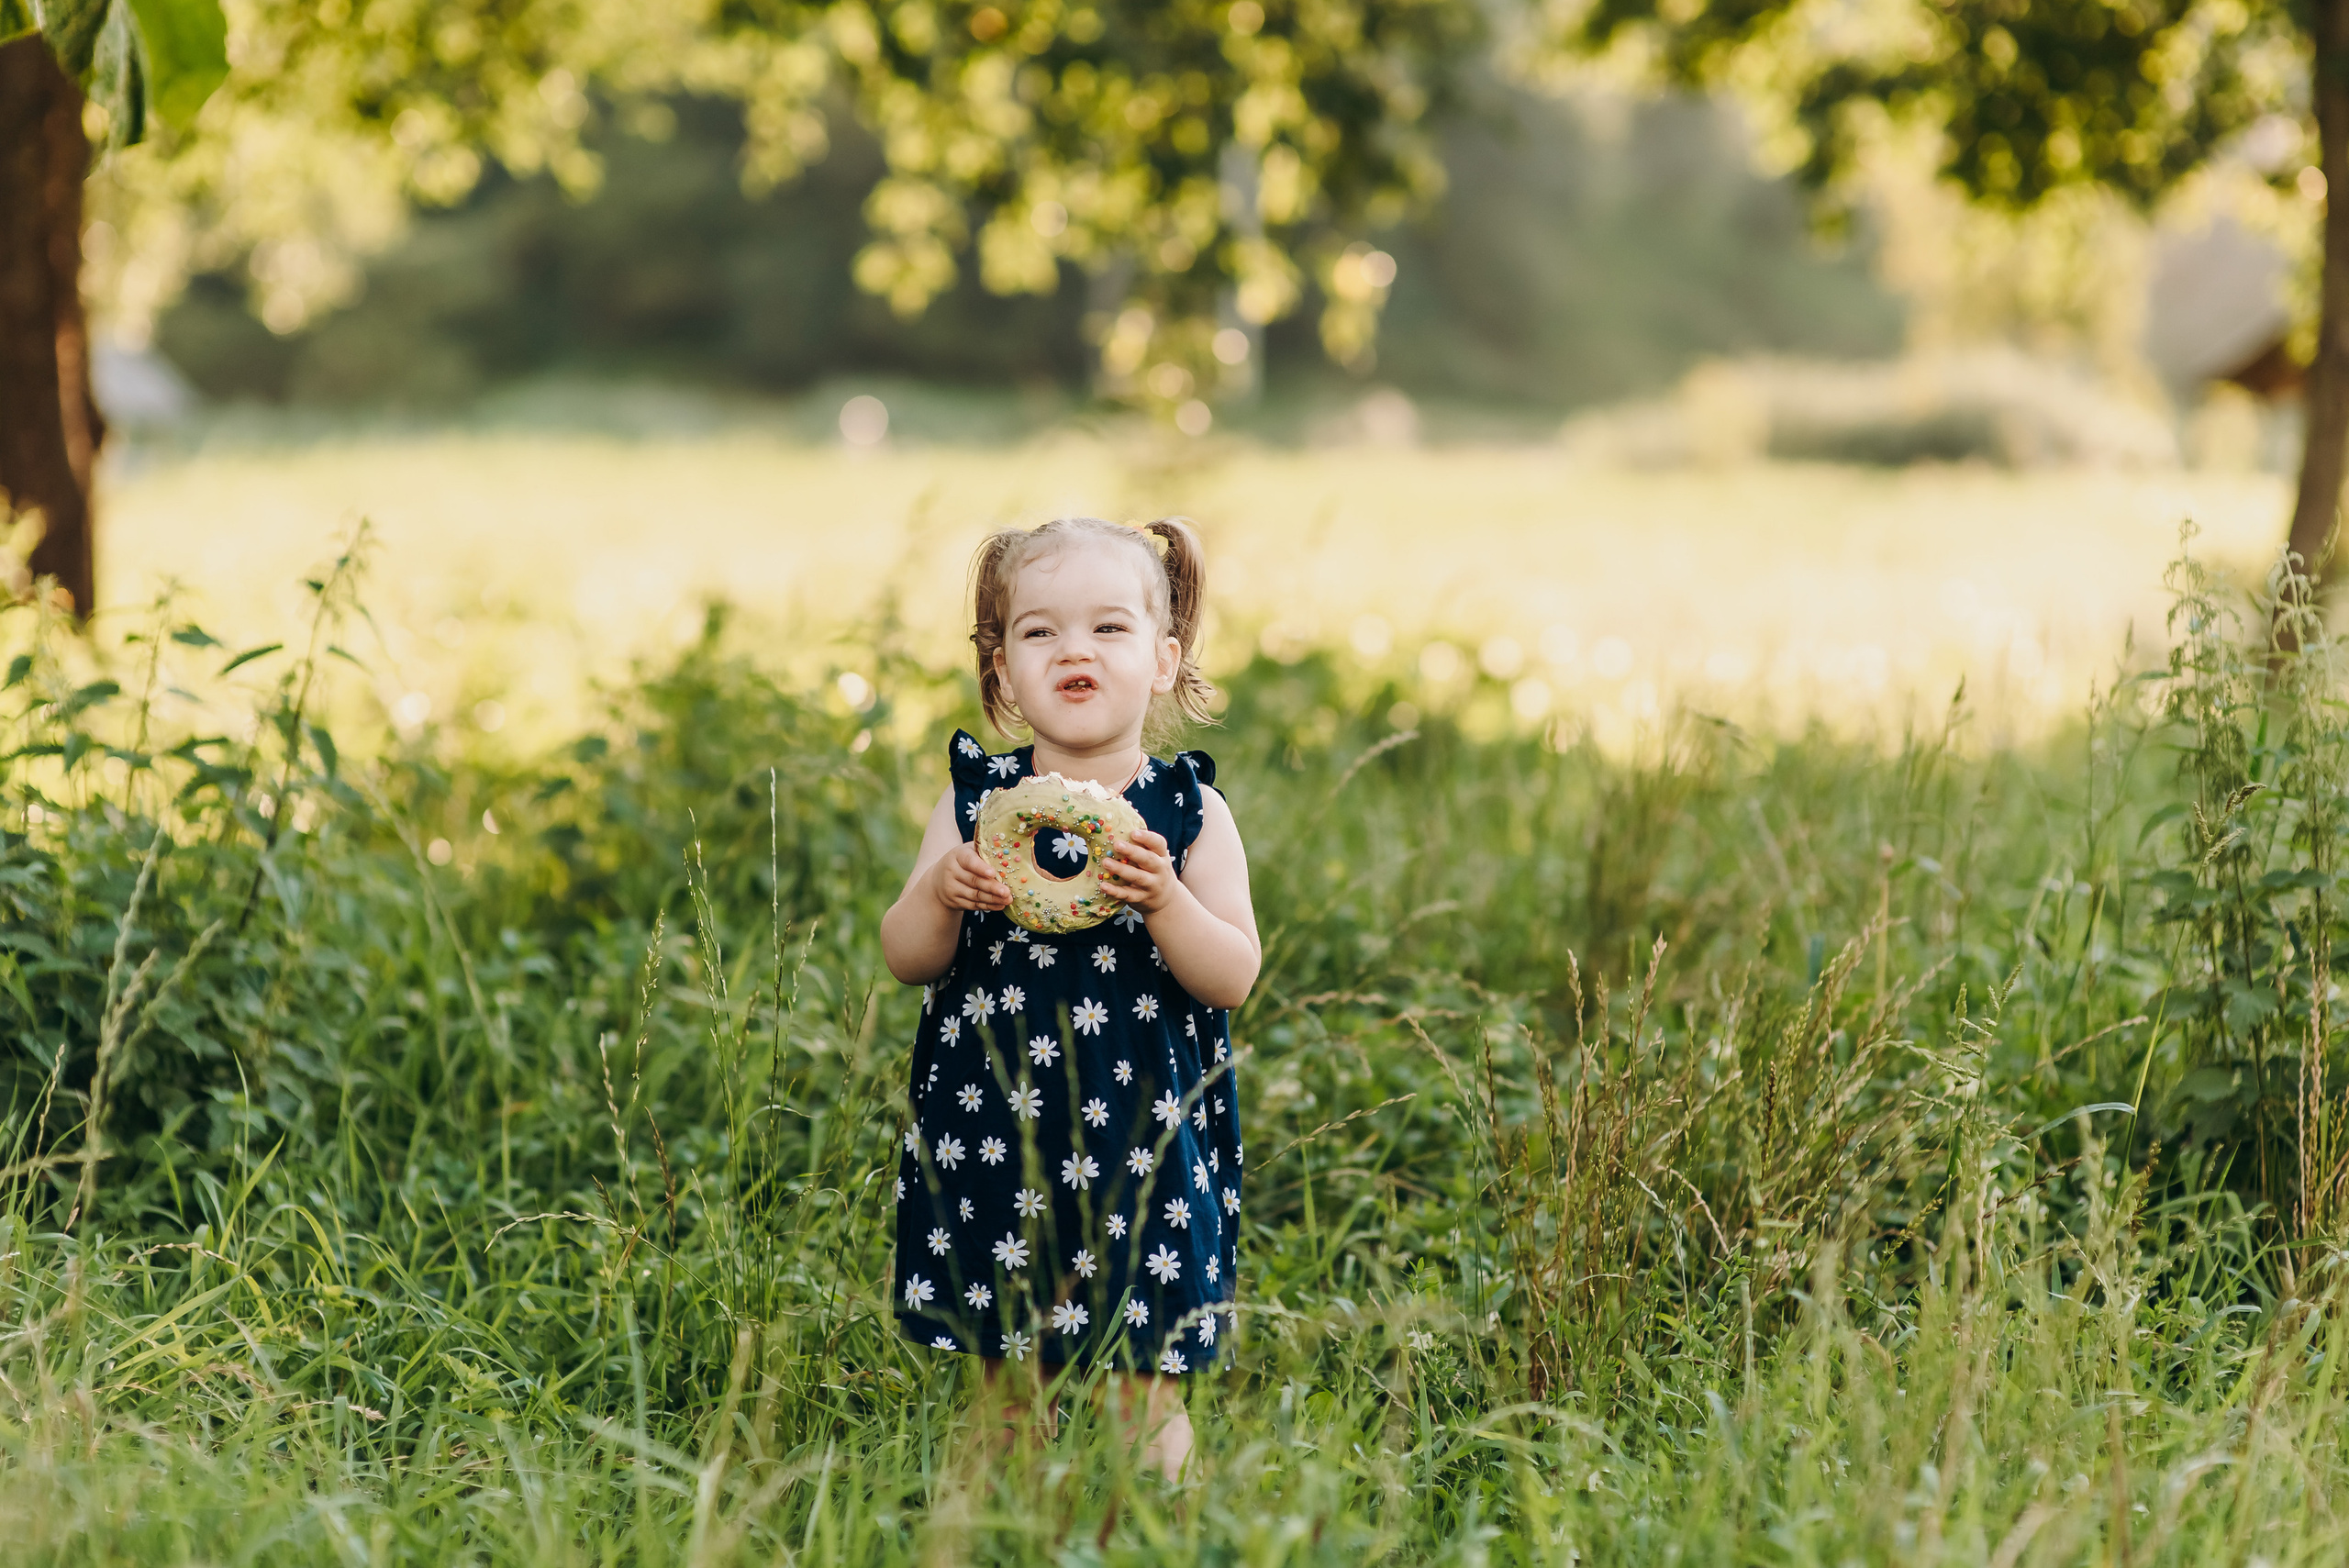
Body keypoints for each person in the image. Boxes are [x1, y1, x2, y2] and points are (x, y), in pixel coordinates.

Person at [879, 516, 1259, 1482]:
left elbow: (1231, 974)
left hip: (1144, 1142)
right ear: (1002, 670)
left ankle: (1164, 1529)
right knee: (1008, 1379)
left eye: (1109, 627)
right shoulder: (976, 804)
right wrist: (940, 892)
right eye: (1039, 631)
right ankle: (1005, 1525)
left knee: (1146, 1379)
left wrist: (1165, 898)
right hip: (997, 1133)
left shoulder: (1187, 813)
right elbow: (905, 956)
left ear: (1164, 659)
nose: (1074, 650)